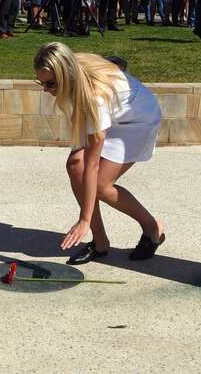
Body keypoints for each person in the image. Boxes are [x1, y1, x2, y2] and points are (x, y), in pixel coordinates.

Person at [32, 41, 165, 264]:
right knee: (75, 165)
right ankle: (100, 242)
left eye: (51, 84)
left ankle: (153, 229)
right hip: (115, 113)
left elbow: (92, 165)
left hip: (138, 120)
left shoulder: (93, 98)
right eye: (42, 83)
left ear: (67, 75)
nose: (47, 90)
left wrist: (83, 219)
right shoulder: (76, 68)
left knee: (102, 185)